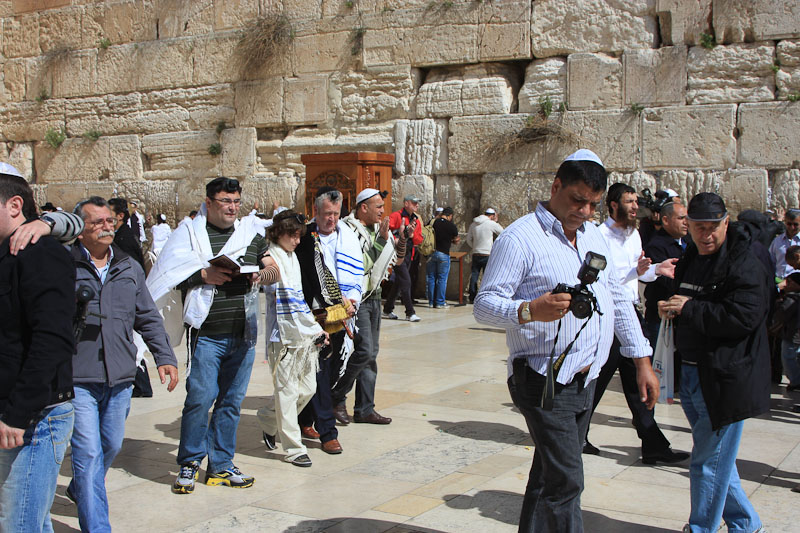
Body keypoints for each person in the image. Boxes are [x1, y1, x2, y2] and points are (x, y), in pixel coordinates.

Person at [473, 149, 659, 532]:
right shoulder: (520, 238)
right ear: (556, 187)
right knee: (567, 481)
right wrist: (530, 310)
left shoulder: (593, 235)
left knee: (548, 476)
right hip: (542, 378)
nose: (584, 212)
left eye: (592, 204)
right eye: (577, 200)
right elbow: (484, 305)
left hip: (585, 379)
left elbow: (616, 297)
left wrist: (641, 360)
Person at [146, 177, 271, 495]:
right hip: (207, 335)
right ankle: (189, 463)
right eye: (226, 201)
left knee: (231, 402)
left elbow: (273, 268)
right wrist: (204, 275)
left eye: (236, 201)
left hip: (243, 334)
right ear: (209, 202)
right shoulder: (189, 234)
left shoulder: (249, 235)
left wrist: (259, 273)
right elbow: (167, 275)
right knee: (200, 400)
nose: (232, 207)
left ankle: (221, 465)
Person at [66, 197, 178, 531]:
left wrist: (164, 357)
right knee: (87, 454)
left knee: (111, 444)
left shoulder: (128, 266)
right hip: (78, 375)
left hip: (120, 374)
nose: (106, 227)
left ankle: (81, 488)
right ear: (80, 229)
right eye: (97, 222)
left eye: (109, 221)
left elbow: (147, 316)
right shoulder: (64, 265)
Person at [659, 192, 769, 533]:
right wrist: (670, 306)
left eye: (712, 228)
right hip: (692, 372)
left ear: (726, 223)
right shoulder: (691, 256)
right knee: (717, 458)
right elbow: (687, 299)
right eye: (698, 228)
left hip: (724, 378)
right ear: (688, 226)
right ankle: (746, 523)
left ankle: (701, 528)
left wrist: (690, 308)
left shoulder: (745, 262)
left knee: (706, 462)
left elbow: (744, 316)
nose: (706, 235)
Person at [583, 184, 687, 465]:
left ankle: (653, 443)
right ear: (613, 205)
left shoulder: (634, 235)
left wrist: (655, 270)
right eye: (628, 202)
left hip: (630, 313)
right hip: (608, 317)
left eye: (635, 202)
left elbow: (636, 276)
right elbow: (603, 283)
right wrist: (635, 272)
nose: (634, 207)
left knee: (638, 380)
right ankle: (576, 434)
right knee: (597, 379)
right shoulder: (598, 236)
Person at [0, 167, 77, 533]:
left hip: (32, 419)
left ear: (14, 206)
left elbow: (52, 339)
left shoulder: (39, 254)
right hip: (13, 412)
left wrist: (18, 414)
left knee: (19, 524)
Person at [257, 210, 330, 467]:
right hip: (282, 335)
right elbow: (269, 280)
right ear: (280, 233)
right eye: (293, 235)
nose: (297, 241)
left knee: (307, 389)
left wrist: (315, 329)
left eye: (299, 236)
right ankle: (294, 448)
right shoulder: (270, 255)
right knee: (287, 393)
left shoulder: (292, 257)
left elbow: (299, 298)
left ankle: (268, 419)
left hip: (302, 334)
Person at [293, 187, 363, 451]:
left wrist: (352, 299)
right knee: (320, 373)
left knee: (336, 371)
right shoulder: (305, 239)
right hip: (315, 317)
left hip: (344, 315)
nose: (331, 219)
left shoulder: (348, 237)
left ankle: (305, 418)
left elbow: (359, 273)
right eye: (326, 214)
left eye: (335, 213)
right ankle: (328, 433)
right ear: (316, 211)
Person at [332, 188, 403, 425]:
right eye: (378, 206)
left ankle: (364, 409)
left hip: (375, 296)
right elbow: (359, 264)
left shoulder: (379, 229)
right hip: (356, 298)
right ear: (364, 207)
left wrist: (402, 239)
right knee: (362, 350)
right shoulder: (348, 230)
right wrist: (381, 241)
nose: (383, 211)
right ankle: (336, 396)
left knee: (371, 355)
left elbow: (396, 260)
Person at [383, 195, 423, 322]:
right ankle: (410, 312)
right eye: (414, 203)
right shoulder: (396, 216)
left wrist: (411, 235)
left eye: (417, 203)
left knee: (399, 282)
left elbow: (418, 239)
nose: (417, 205)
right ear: (406, 203)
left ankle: (387, 309)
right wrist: (397, 238)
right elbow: (385, 231)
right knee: (406, 281)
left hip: (409, 254)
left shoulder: (416, 220)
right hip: (397, 254)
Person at [466, 207, 503, 303]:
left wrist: (474, 247)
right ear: (492, 216)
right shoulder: (491, 224)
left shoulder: (473, 224)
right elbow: (502, 232)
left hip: (476, 253)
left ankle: (472, 296)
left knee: (474, 275)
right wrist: (496, 221)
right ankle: (485, 296)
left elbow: (468, 239)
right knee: (487, 276)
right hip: (487, 253)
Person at [427, 206, 459, 309]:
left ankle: (431, 302)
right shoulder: (451, 226)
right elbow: (456, 239)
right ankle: (440, 302)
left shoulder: (433, 222)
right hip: (443, 254)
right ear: (450, 216)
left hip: (431, 253)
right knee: (442, 279)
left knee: (431, 278)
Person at [107, 198, 145, 268]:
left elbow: (130, 267)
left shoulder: (125, 239)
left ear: (120, 216)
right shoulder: (119, 235)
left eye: (108, 213)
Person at [769, 209, 800, 283]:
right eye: (789, 224)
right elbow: (770, 261)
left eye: (795, 224)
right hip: (778, 281)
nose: (792, 227)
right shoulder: (777, 241)